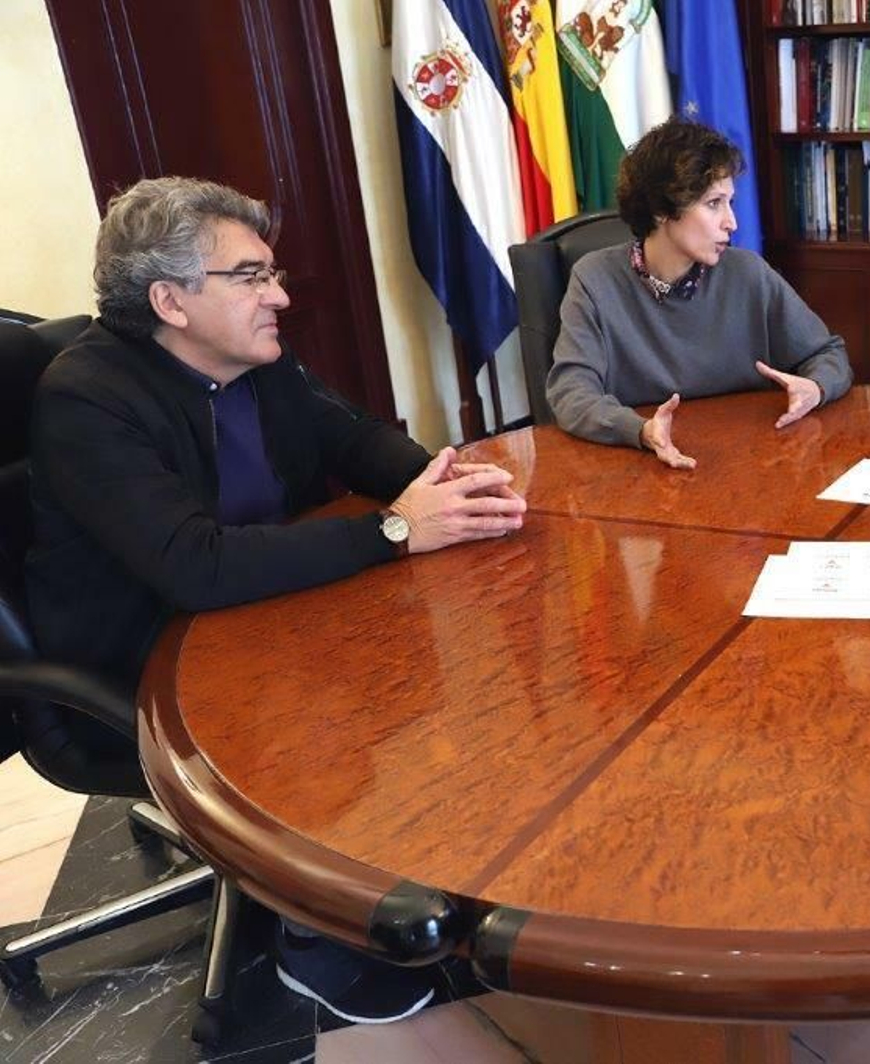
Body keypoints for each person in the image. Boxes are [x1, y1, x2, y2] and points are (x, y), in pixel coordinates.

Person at [26, 176, 528, 1023]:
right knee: (350, 689)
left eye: (273, 274)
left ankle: (435, 866)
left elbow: (356, 438)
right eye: (252, 277)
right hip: (149, 656)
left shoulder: (257, 362)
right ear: (169, 300)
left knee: (439, 653)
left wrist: (446, 485)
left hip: (262, 612)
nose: (281, 296)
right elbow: (195, 567)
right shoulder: (88, 398)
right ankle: (309, 938)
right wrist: (396, 532)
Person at [546, 116, 853, 469]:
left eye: (730, 202)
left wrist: (814, 387)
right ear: (662, 209)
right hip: (638, 469)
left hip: (748, 466)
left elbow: (829, 354)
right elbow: (570, 392)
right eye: (713, 204)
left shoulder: (748, 273)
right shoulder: (594, 279)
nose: (732, 223)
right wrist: (641, 430)